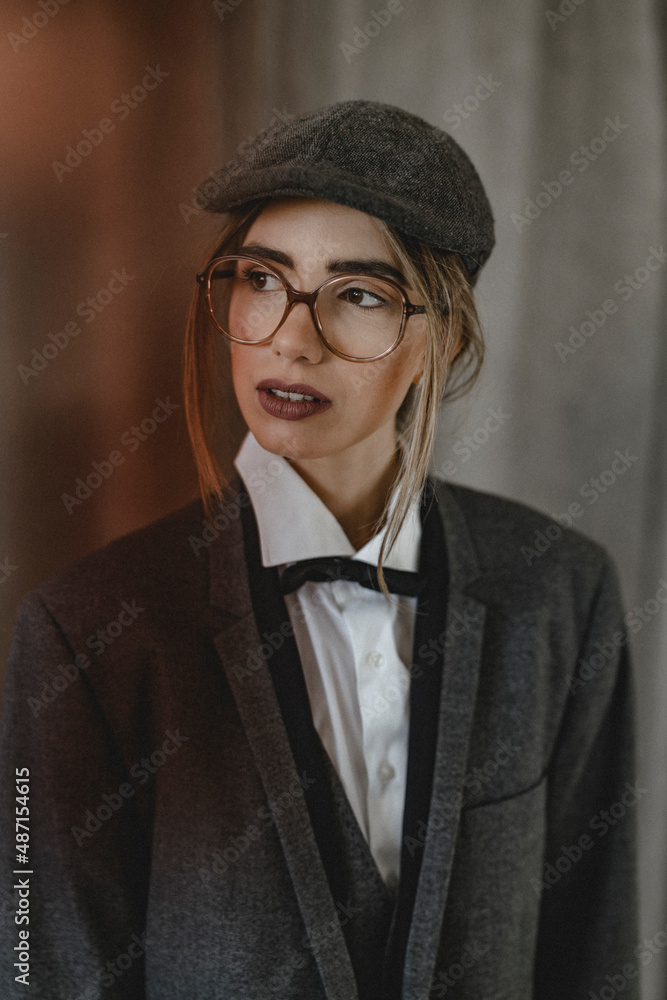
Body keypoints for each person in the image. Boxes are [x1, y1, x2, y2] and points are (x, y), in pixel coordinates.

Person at [0, 100, 638, 1000]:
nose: (290, 339)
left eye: (360, 294)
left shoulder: (560, 592)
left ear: (445, 336)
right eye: (262, 279)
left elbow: (594, 955)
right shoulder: (86, 631)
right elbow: (37, 968)